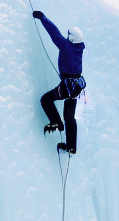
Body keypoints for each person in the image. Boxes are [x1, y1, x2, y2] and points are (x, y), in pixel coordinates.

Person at [32, 10, 85, 155]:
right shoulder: (80, 48)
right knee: (69, 116)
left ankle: (55, 121)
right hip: (76, 88)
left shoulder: (66, 46)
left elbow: (53, 32)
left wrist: (43, 18)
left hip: (67, 86)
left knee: (46, 99)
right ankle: (71, 146)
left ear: (72, 39)